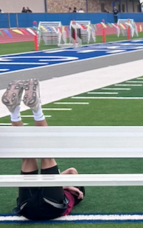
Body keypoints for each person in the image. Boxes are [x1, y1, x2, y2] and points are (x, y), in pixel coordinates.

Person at [2, 80, 85, 220]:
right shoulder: (73, 193)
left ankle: (32, 110)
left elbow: (72, 171)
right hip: (29, 208)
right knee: (28, 157)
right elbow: (71, 171)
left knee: (44, 154)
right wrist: (64, 185)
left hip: (49, 207)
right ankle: (15, 112)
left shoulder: (76, 192)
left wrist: (64, 185)